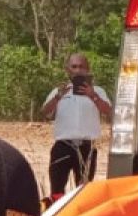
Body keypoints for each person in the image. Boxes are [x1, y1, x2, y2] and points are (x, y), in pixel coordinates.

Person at [41, 53, 112, 197]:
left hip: (87, 148)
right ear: (67, 69)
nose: (78, 70)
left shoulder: (98, 91)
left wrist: (92, 96)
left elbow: (108, 111)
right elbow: (44, 112)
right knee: (57, 190)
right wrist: (57, 97)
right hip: (63, 146)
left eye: (81, 66)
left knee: (83, 191)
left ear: (88, 69)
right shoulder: (59, 91)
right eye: (74, 66)